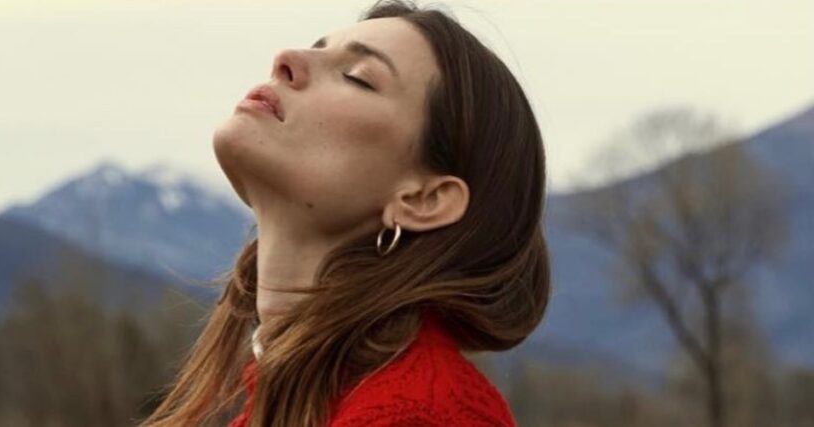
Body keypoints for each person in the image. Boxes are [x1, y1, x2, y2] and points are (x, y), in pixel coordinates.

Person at [140, 0, 550, 425]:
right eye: (317, 48)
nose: (285, 58)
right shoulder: (283, 405)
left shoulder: (423, 414)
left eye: (357, 77)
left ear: (422, 200)